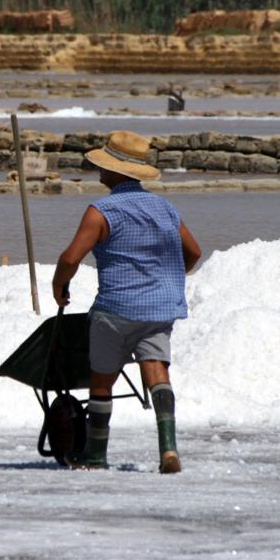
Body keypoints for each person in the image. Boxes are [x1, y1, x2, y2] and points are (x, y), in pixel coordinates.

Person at [51, 130, 201, 473]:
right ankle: (168, 449)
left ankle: (95, 455)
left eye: (104, 165)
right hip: (160, 308)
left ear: (116, 171)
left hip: (116, 309)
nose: (99, 170)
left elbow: (71, 258)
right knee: (157, 371)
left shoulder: (101, 211)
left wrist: (59, 286)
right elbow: (194, 252)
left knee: (102, 380)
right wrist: (168, 278)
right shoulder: (165, 208)